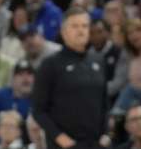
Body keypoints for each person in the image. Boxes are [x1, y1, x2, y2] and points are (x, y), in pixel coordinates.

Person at [32, 8, 109, 149]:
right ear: (63, 31)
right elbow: (38, 111)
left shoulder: (98, 61)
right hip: (65, 145)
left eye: (84, 26)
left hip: (96, 144)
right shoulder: (50, 64)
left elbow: (104, 103)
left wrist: (106, 134)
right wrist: (60, 138)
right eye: (75, 26)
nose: (81, 30)